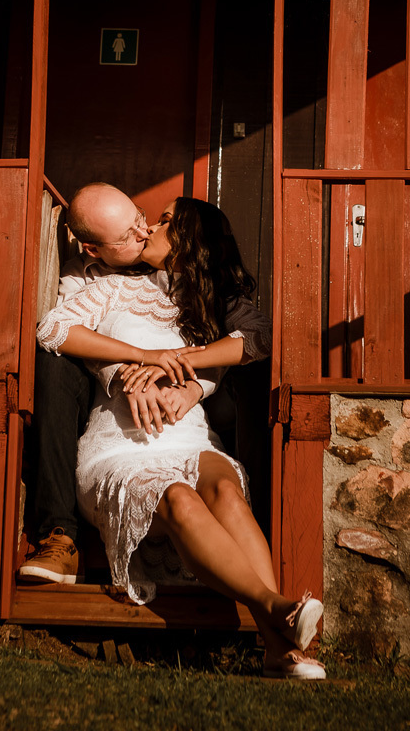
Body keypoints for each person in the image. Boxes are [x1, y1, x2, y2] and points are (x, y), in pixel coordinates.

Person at [36, 197, 326, 681]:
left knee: (227, 490)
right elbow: (54, 328)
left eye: (165, 221)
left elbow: (258, 338)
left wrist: (193, 378)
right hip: (121, 449)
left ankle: (278, 651)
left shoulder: (203, 301)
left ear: (190, 239)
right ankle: (275, 611)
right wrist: (137, 359)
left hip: (191, 441)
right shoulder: (105, 285)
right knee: (179, 499)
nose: (148, 226)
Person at [19, 183, 222, 585]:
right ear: (94, 249)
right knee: (52, 368)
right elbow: (64, 334)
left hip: (184, 388)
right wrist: (128, 368)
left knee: (237, 401)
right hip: (107, 391)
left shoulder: (180, 264)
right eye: (129, 235)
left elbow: (228, 337)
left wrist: (195, 386)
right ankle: (59, 537)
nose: (145, 233)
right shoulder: (83, 278)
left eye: (141, 219)